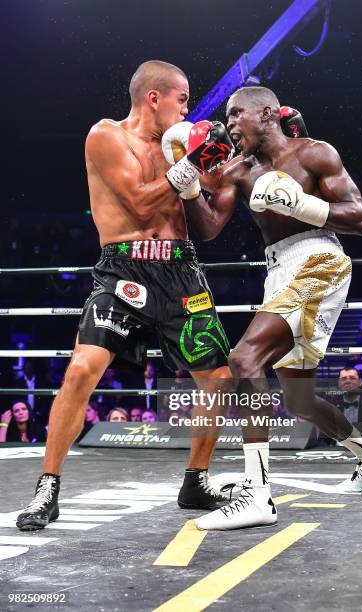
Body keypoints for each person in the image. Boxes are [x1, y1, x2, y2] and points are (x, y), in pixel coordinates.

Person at [15, 60, 234, 531]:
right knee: (80, 371)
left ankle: (196, 480)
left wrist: (209, 168)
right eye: (183, 98)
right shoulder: (106, 136)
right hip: (122, 272)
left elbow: (209, 218)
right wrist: (192, 163)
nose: (188, 108)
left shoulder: (179, 146)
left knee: (217, 376)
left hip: (180, 270)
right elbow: (137, 201)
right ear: (154, 97)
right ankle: (46, 489)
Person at [173, 85, 362, 529]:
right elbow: (210, 228)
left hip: (320, 258)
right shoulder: (237, 170)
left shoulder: (315, 154)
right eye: (228, 116)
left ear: (268, 114)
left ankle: (257, 495)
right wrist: (188, 189)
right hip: (277, 271)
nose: (231, 124)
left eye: (238, 114)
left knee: (244, 358)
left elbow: (358, 218)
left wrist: (303, 205)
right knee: (297, 398)